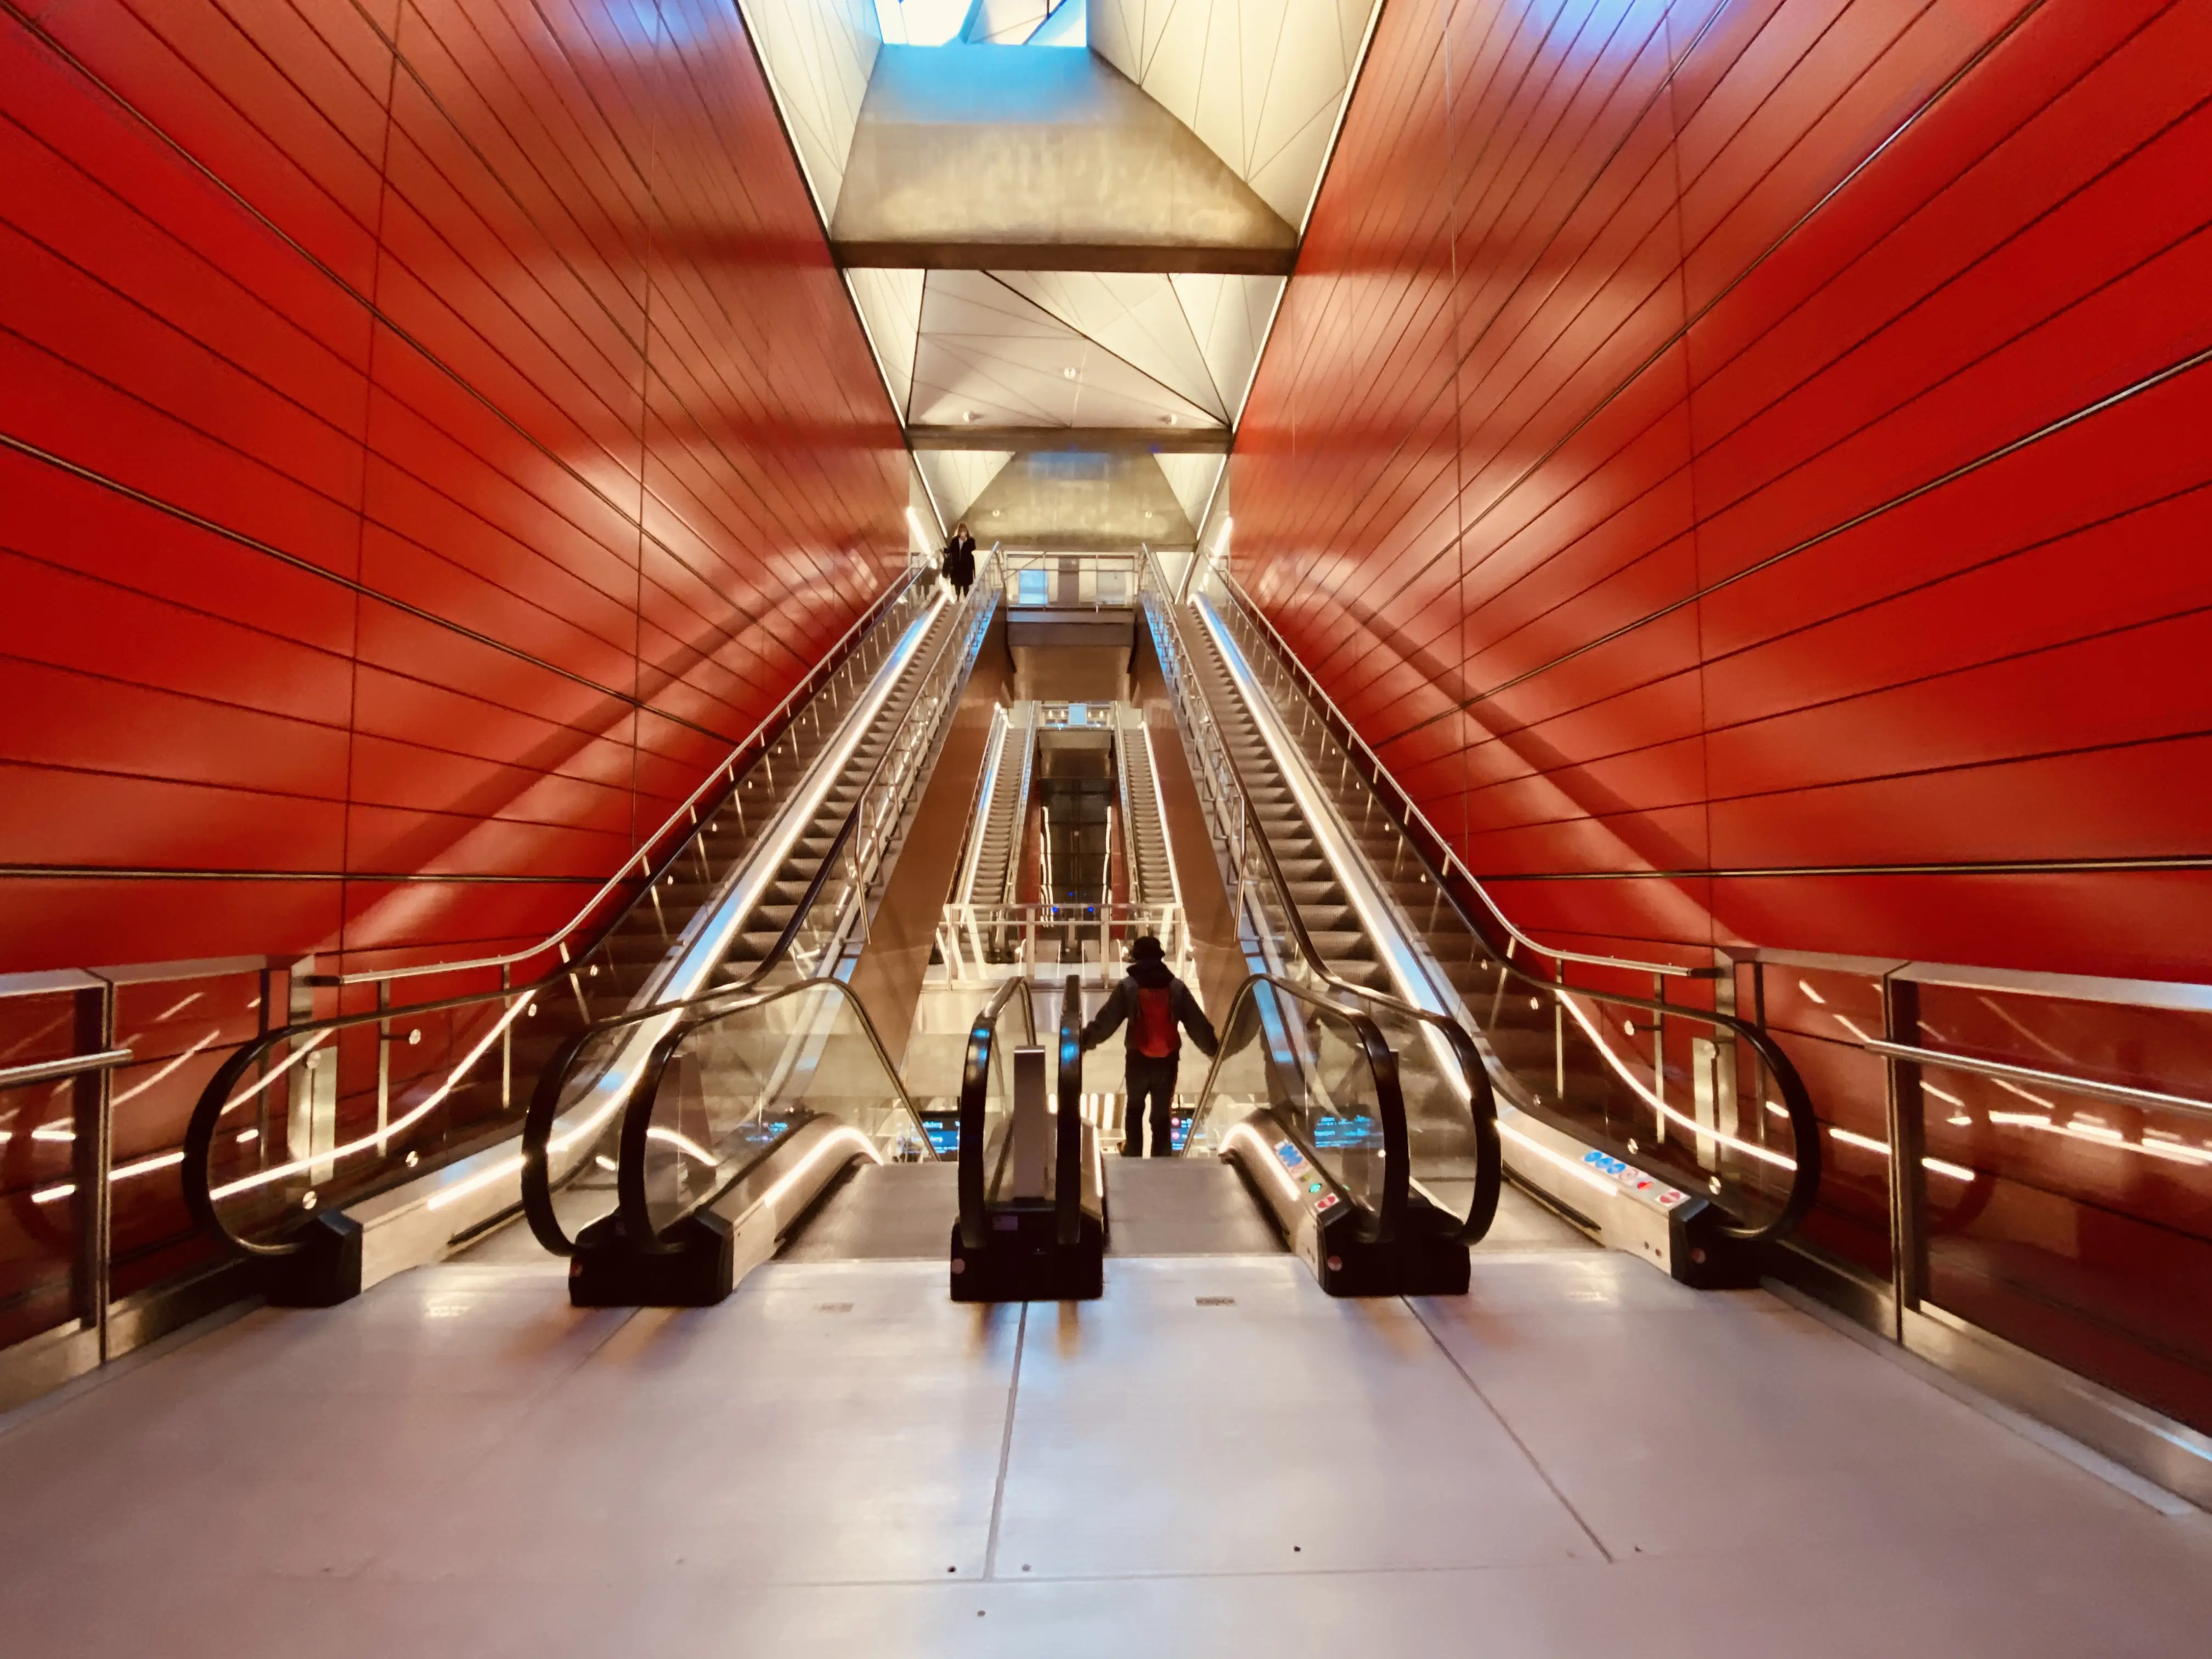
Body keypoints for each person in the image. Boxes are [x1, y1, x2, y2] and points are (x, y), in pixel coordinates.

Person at [1080, 935, 1218, 1157]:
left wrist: (1084, 1041)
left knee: (1135, 1108)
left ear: (1136, 958)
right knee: (1161, 1114)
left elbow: (1107, 1022)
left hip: (1137, 1059)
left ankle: (1133, 1151)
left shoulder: (1128, 987)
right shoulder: (1176, 987)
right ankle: (1161, 1156)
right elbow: (1197, 1024)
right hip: (1167, 1061)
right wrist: (1214, 1050)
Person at [940, 521, 977, 597]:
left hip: (967, 566)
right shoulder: (955, 540)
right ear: (959, 532)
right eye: (962, 531)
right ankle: (957, 597)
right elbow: (952, 550)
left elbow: (973, 548)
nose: (963, 533)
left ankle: (966, 597)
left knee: (966, 584)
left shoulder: (970, 540)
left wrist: (966, 542)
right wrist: (944, 551)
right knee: (958, 583)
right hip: (957, 565)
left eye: (965, 531)